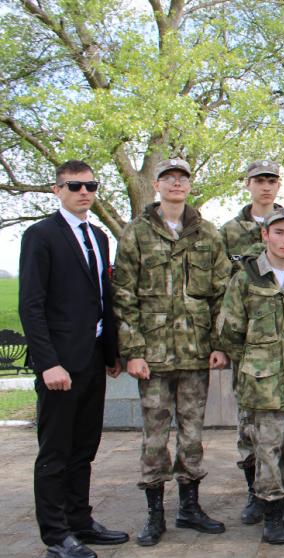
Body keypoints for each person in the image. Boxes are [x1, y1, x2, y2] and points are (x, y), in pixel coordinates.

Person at [113, 158, 231, 546]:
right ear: (157, 185)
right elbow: (124, 295)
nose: (176, 183)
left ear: (189, 186)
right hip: (154, 357)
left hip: (196, 353)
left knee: (193, 436)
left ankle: (190, 508)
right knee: (154, 438)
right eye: (169, 178)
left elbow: (220, 295)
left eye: (183, 178)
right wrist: (132, 350)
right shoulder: (136, 233)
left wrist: (218, 345)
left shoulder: (208, 235)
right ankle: (154, 514)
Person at [19, 160, 129, 558]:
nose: (84, 192)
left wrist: (111, 353)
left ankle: (80, 521)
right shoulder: (41, 235)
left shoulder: (98, 236)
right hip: (59, 366)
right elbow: (31, 305)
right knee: (55, 452)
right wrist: (48, 363)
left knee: (85, 447)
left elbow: (104, 298)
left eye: (91, 185)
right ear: (57, 190)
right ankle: (56, 535)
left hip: (92, 360)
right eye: (75, 186)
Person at [216, 208, 284, 545]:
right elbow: (231, 332)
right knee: (267, 450)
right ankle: (272, 515)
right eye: (279, 233)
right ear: (265, 236)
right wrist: (259, 364)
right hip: (264, 384)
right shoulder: (246, 278)